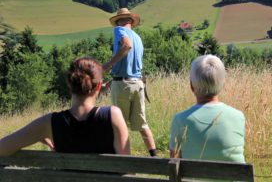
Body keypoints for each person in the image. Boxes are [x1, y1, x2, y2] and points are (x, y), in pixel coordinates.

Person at [0, 57, 130, 156]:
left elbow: (2, 147)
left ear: (69, 84)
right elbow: (128, 168)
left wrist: (38, 133)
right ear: (98, 86)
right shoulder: (113, 115)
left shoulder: (49, 122)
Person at [169, 55, 245, 163]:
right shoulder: (238, 117)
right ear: (223, 84)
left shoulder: (180, 120)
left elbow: (174, 162)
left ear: (191, 86)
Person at [103, 8, 157, 157]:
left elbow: (126, 46)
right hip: (138, 84)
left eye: (118, 21)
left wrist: (107, 66)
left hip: (123, 86)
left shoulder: (119, 31)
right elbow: (129, 65)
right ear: (131, 22)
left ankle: (123, 161)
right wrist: (110, 81)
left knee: (119, 125)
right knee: (142, 125)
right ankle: (155, 157)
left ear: (120, 21)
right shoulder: (138, 38)